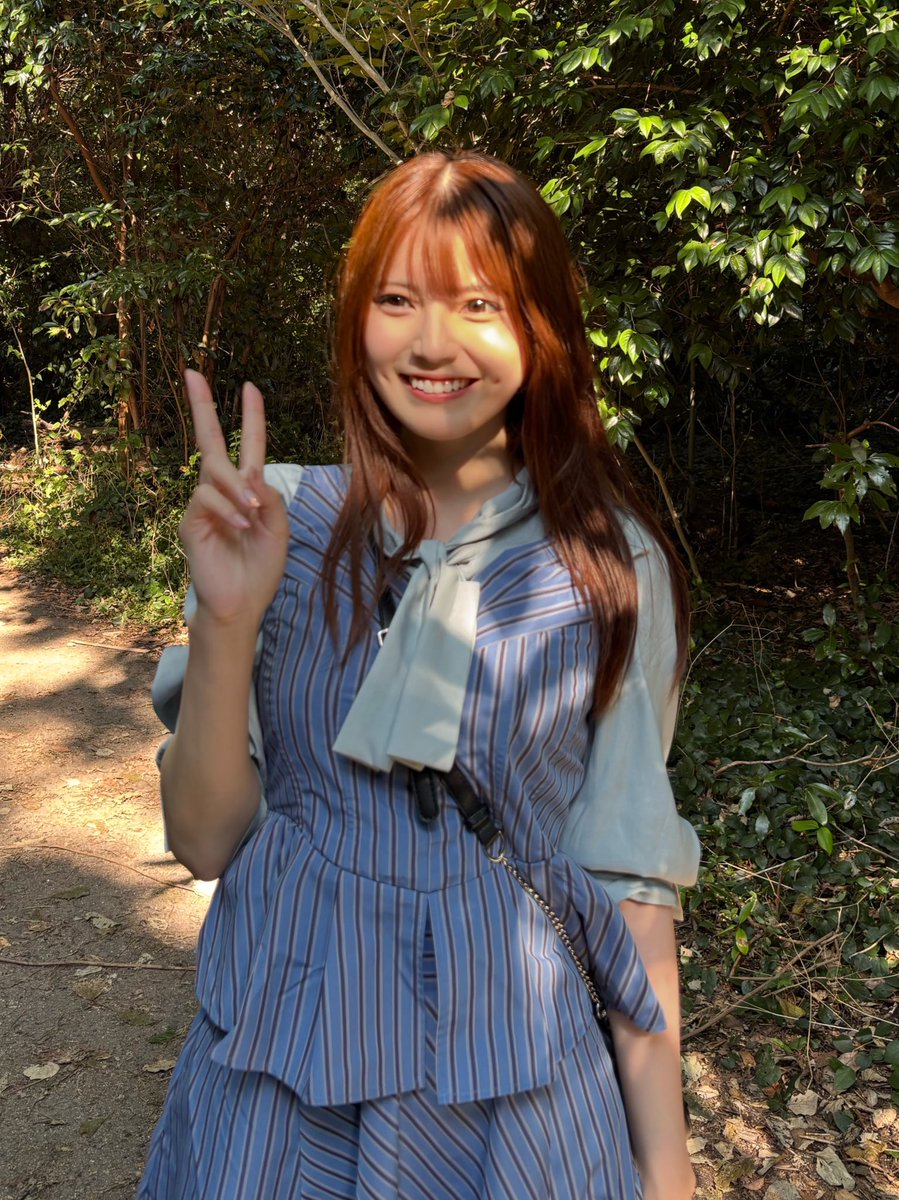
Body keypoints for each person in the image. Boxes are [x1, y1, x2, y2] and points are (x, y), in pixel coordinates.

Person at [138, 151, 700, 1200]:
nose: (433, 342)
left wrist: (665, 1174)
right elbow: (205, 840)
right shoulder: (281, 521)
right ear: (358, 319)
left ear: (540, 327)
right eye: (397, 300)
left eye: (478, 304)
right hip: (284, 1068)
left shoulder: (607, 564)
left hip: (515, 1088)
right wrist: (226, 620)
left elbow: (628, 888)